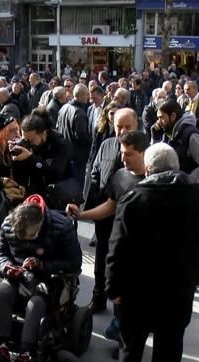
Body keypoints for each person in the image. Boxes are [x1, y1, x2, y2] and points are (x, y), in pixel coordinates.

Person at [101, 144, 199, 362]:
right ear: (176, 166)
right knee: (171, 341)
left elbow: (116, 248)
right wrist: (197, 276)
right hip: (178, 288)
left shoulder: (134, 198)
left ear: (149, 169)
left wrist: (112, 287)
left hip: (136, 290)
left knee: (131, 345)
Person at [0, 194, 82, 362]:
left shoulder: (61, 227)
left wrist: (42, 265)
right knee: (1, 293)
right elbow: (0, 255)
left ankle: (25, 355)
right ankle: (1, 348)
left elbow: (75, 263)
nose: (27, 242)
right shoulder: (8, 224)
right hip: (19, 275)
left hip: (50, 278)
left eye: (30, 237)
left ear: (40, 223)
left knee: (36, 303)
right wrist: (6, 267)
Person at [84, 108, 138, 313]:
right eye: (119, 126)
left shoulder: (144, 148)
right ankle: (98, 297)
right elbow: (96, 173)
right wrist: (92, 204)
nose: (122, 131)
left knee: (122, 265)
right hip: (104, 215)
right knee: (101, 259)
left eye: (127, 127)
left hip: (128, 219)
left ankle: (120, 309)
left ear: (136, 125)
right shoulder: (107, 144)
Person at [12, 108, 72, 200]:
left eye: (32, 140)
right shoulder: (26, 144)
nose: (29, 144)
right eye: (25, 140)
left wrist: (31, 157)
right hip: (33, 193)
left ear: (43, 133)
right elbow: (20, 173)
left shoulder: (59, 143)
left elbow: (56, 172)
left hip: (56, 193)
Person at [56, 84, 91, 188]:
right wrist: (91, 142)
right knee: (77, 186)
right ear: (81, 96)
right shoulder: (79, 112)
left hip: (65, 152)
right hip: (77, 156)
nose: (88, 97)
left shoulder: (64, 107)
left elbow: (57, 127)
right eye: (86, 95)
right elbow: (81, 136)